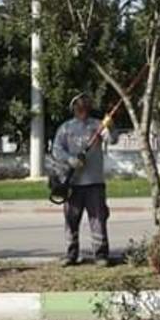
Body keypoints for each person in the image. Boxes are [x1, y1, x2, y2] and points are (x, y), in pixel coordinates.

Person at [52, 93, 113, 267]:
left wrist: (109, 130)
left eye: (85, 105)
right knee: (71, 220)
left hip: (95, 182)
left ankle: (101, 255)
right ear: (74, 108)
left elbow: (113, 139)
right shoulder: (66, 128)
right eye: (79, 106)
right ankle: (71, 254)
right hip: (72, 183)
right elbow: (56, 150)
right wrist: (70, 159)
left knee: (98, 220)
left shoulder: (98, 125)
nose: (83, 109)